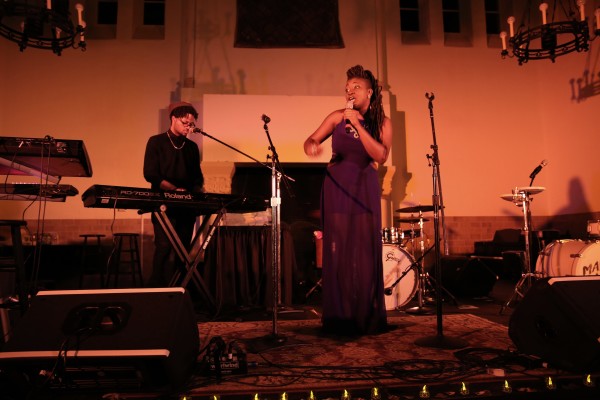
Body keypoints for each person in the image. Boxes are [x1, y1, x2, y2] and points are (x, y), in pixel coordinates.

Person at [303, 65, 392, 335]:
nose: (349, 91)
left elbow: (380, 155)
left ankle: (366, 314)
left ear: (369, 92)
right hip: (337, 188)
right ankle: (339, 316)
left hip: (364, 189)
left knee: (364, 252)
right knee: (338, 251)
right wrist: (311, 145)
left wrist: (357, 124)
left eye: (355, 87)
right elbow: (311, 139)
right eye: (347, 88)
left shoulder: (383, 123)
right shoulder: (335, 117)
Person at [143, 101, 204, 287]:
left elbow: (197, 176)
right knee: (163, 247)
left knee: (183, 249)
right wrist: (173, 190)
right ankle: (155, 289)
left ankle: (180, 288)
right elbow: (150, 174)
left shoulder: (192, 148)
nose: (189, 127)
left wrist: (197, 191)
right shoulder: (156, 141)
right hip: (163, 203)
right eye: (185, 123)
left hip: (186, 206)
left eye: (191, 124)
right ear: (173, 118)